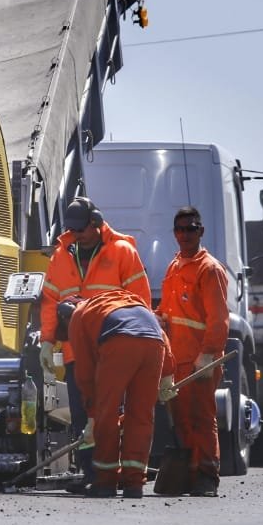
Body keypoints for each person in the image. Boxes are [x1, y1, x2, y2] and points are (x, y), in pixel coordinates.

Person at [38, 196, 151, 492]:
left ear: (96, 222)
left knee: (111, 412)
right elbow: (50, 302)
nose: (79, 236)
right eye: (73, 232)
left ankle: (112, 477)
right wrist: (47, 342)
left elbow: (141, 300)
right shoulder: (61, 256)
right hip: (77, 349)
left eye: (83, 230)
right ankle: (91, 475)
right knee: (82, 413)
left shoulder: (122, 252)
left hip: (114, 347)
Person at [62, 290, 173, 498]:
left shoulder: (78, 315)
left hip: (119, 341)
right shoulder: (127, 299)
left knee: (107, 414)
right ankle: (134, 484)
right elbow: (157, 328)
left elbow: (85, 373)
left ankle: (105, 482)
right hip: (154, 344)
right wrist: (168, 373)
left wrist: (92, 415)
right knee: (141, 416)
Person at [156, 206, 231, 497]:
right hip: (177, 359)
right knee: (182, 418)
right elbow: (169, 310)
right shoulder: (175, 266)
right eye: (179, 229)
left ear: (201, 231)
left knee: (202, 417)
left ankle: (207, 477)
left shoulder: (209, 269)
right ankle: (188, 473)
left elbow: (219, 318)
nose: (184, 234)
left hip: (200, 359)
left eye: (190, 228)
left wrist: (209, 354)